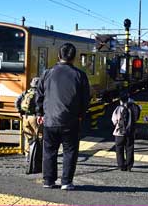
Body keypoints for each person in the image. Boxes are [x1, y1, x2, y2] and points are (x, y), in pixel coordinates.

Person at [36, 43, 90, 190]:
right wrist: (80, 115)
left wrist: (39, 113)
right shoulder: (80, 75)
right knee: (70, 152)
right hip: (71, 121)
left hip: (50, 120)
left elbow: (39, 94)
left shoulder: (47, 73)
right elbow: (86, 100)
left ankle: (48, 181)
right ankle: (66, 182)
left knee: (49, 151)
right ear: (74, 58)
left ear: (59, 56)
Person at [111, 91, 141, 172]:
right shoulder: (133, 107)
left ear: (120, 100)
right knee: (130, 148)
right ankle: (129, 166)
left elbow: (114, 120)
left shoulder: (118, 108)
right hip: (130, 132)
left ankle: (121, 166)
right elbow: (137, 117)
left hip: (119, 133)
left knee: (119, 149)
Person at [15, 77, 42, 159]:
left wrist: (20, 111)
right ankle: (38, 155)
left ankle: (28, 155)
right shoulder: (39, 94)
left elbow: (17, 101)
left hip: (25, 117)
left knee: (28, 136)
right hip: (35, 117)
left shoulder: (26, 92)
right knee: (40, 136)